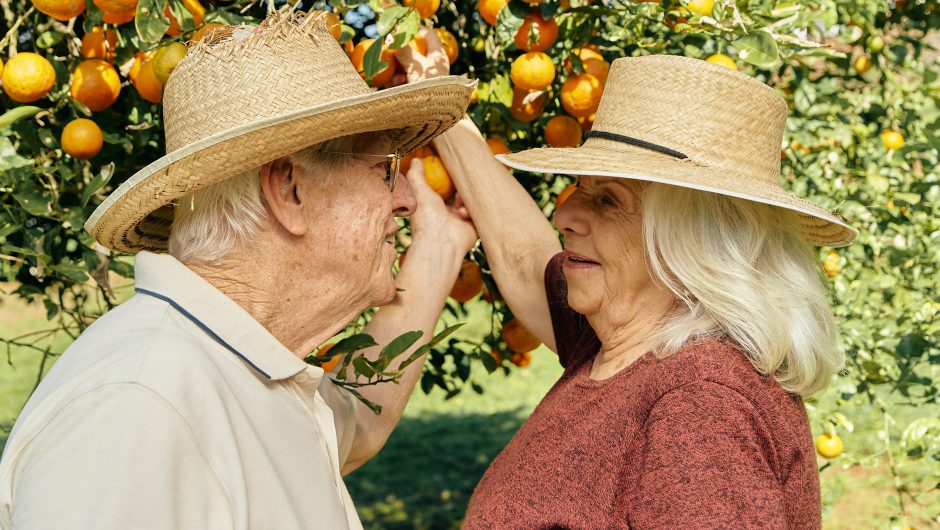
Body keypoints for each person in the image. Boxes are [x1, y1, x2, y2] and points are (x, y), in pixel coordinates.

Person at [0, 12, 475, 530]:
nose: (405, 199)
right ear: (289, 189)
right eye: (386, 169)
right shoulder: (138, 406)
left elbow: (357, 423)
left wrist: (439, 249)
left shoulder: (236, 363)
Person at [396, 39, 856, 528]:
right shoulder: (617, 343)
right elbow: (525, 257)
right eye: (579, 188)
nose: (565, 212)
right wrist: (432, 89)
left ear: (694, 242)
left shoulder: (701, 408)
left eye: (607, 200)